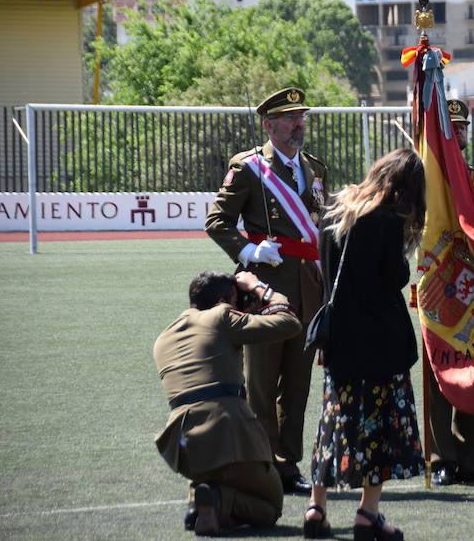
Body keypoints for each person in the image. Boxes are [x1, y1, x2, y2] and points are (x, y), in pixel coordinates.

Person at [205, 87, 327, 495]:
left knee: (296, 386)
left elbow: (321, 228)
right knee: (260, 384)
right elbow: (217, 222)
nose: (298, 125)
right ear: (269, 125)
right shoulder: (249, 168)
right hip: (264, 291)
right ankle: (261, 465)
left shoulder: (314, 167)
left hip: (308, 290)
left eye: (301, 118)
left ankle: (288, 466)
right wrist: (249, 249)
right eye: (290, 118)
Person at [304, 148, 426, 541]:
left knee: (333, 422)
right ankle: (367, 514)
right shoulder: (387, 222)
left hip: (339, 336)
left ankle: (316, 508)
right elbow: (391, 278)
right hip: (380, 340)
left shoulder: (336, 209)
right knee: (381, 428)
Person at [153, 270, 300, 536]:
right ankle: (219, 502)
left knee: (219, 474)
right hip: (228, 435)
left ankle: (200, 499)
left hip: (185, 446)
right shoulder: (222, 316)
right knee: (270, 506)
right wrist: (259, 287)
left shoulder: (164, 337)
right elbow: (289, 323)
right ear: (223, 301)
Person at [429, 99, 474, 486]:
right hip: (436, 289)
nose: (457, 135)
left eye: (462, 129)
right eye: (450, 129)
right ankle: (442, 460)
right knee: (439, 376)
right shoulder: (423, 179)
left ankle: (470, 460)